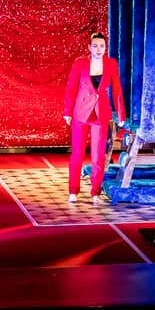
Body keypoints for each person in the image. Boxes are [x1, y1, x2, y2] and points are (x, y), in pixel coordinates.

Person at [64, 31, 126, 204]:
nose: (99, 49)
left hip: (100, 113)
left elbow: (117, 89)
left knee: (98, 155)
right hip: (81, 113)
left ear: (105, 48)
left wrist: (121, 113)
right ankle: (73, 190)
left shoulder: (111, 63)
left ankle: (95, 191)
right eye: (95, 46)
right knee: (77, 153)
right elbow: (71, 87)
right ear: (89, 47)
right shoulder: (80, 63)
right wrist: (67, 111)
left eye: (102, 46)